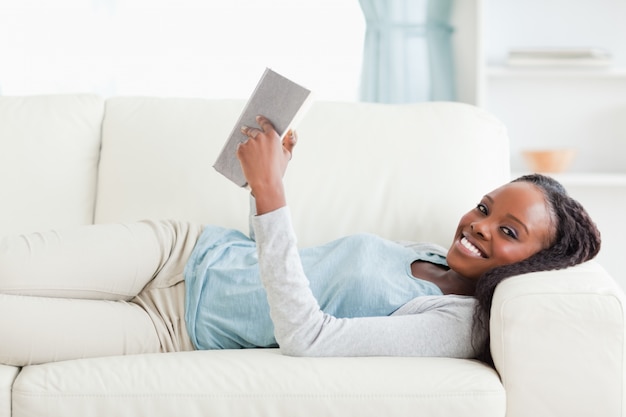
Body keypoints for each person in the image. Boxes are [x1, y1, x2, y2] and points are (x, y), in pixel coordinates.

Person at [0, 116, 601, 368]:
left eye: (508, 232)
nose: (478, 225)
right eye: (485, 207)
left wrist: (271, 195)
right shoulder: (435, 253)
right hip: (181, 250)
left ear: (536, 265)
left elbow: (309, 338)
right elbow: (290, 262)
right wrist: (269, 185)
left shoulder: (454, 324)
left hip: (174, 328)